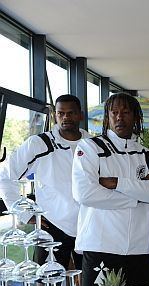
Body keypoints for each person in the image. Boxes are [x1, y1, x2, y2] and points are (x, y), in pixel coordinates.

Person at [72, 93, 149, 286]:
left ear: (135, 117)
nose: (119, 117)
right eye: (114, 112)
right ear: (107, 116)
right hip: (100, 246)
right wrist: (139, 195)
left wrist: (118, 183)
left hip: (139, 250)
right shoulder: (89, 148)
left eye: (126, 112)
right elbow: (85, 194)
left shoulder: (146, 155)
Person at [0, 94, 91, 273]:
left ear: (80, 115)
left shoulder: (93, 145)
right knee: (48, 285)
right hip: (52, 226)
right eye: (60, 113)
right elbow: (5, 176)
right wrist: (26, 214)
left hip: (89, 225)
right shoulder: (39, 144)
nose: (65, 118)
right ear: (55, 115)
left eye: (71, 113)